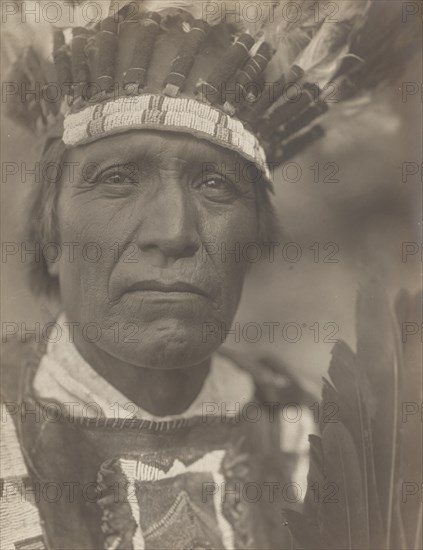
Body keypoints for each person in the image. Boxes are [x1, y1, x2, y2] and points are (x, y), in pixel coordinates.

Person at [1, 1, 419, 549]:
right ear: (52, 238)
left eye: (216, 185)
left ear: (252, 243)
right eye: (120, 178)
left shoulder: (296, 428)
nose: (174, 232)